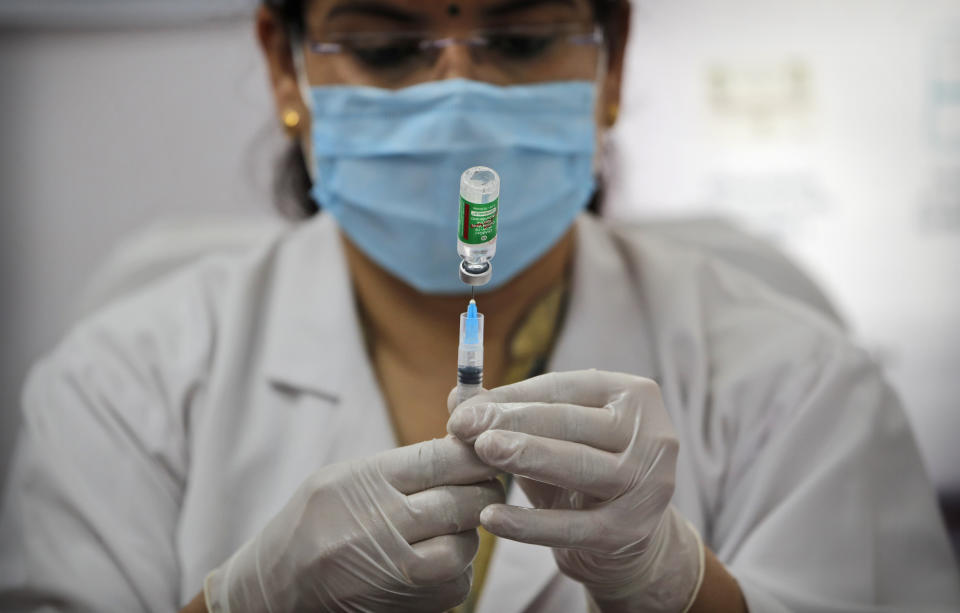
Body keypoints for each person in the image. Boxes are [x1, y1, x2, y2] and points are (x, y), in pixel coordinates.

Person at [1, 0, 958, 611]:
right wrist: (240, 604)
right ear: (286, 67)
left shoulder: (798, 380)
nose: (457, 97)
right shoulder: (121, 383)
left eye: (520, 39)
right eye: (386, 48)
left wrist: (688, 593)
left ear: (612, 58)